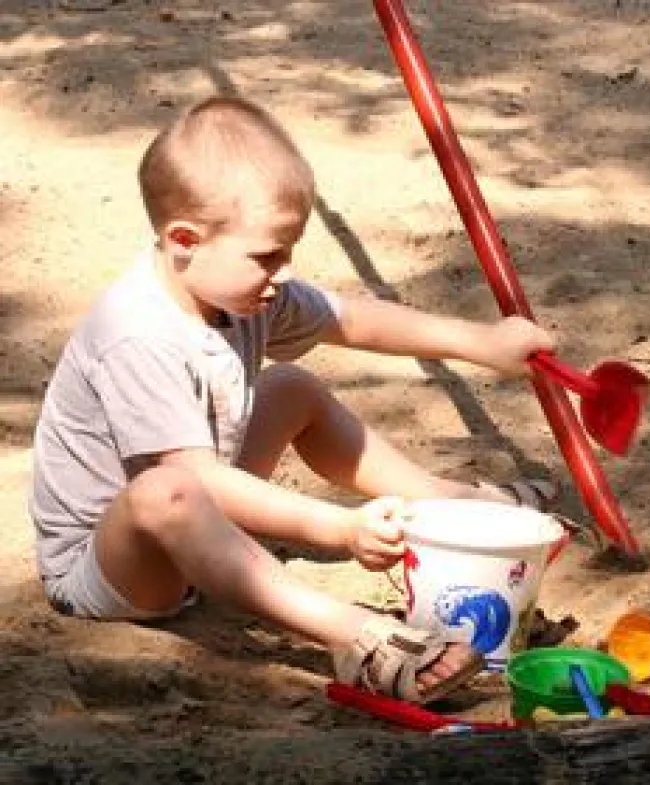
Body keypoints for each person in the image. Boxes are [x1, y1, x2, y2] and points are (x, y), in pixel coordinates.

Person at [29, 95, 563, 704]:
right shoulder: (137, 334)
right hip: (114, 567)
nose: (283, 272)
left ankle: (451, 505)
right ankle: (358, 638)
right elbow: (198, 482)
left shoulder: (238, 289)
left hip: (199, 517)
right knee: (168, 489)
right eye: (267, 255)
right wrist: (340, 528)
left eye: (289, 251)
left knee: (290, 387)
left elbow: (350, 319)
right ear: (183, 240)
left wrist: (482, 343)